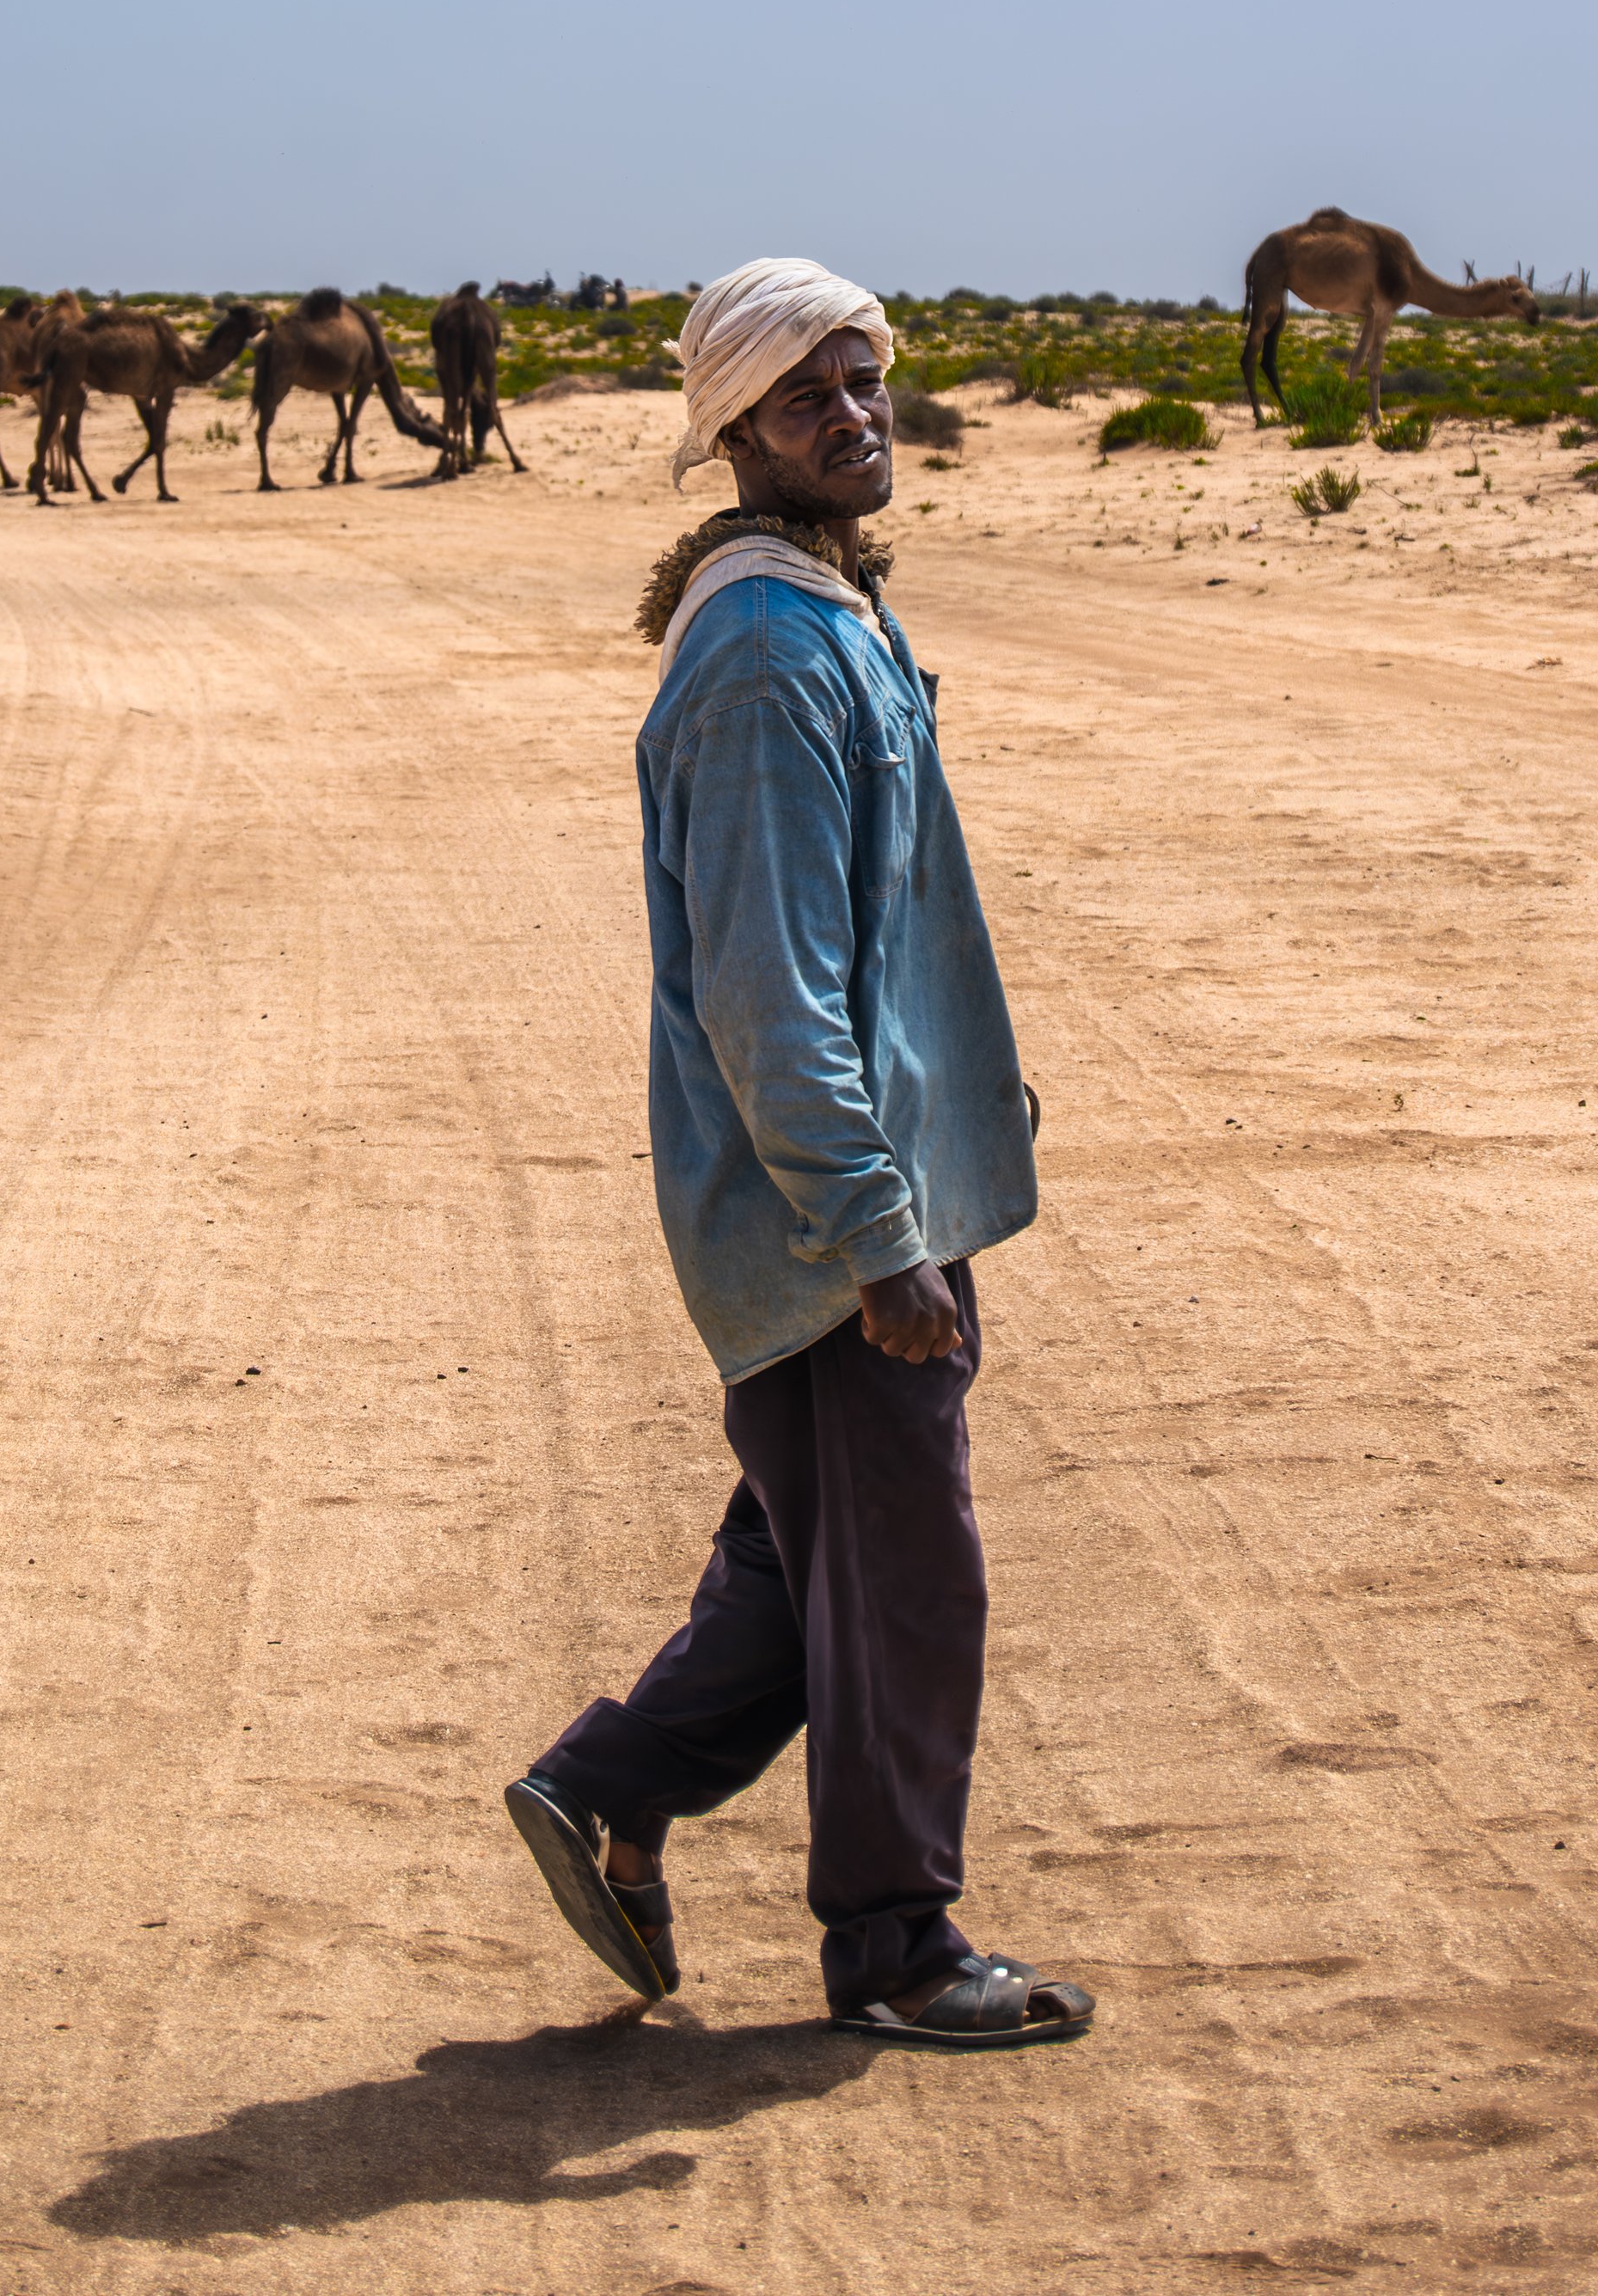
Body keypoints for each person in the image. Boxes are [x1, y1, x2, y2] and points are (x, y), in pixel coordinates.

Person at [505, 257, 1094, 2049]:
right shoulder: (767, 657)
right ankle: (898, 1950)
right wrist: (875, 1234)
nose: (850, 417)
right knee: (899, 1572)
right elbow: (770, 994)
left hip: (869, 1199)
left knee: (810, 1547)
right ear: (734, 435)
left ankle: (609, 1786)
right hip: (831, 1226)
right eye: (805, 398)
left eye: (860, 383)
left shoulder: (819, 611)